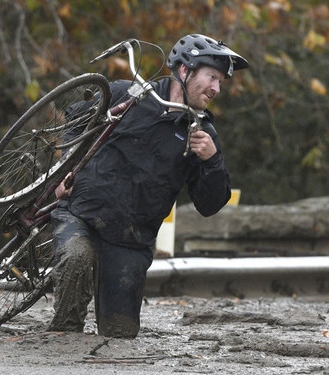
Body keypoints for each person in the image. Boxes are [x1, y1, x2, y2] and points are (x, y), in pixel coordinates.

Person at [47, 34, 249, 338]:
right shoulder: (127, 95)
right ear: (185, 70)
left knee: (120, 336)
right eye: (212, 77)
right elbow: (75, 117)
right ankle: (63, 335)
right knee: (77, 258)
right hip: (81, 216)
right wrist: (66, 168)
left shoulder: (202, 134)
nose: (216, 89)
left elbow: (209, 205)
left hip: (130, 242)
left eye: (221, 82)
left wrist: (212, 161)